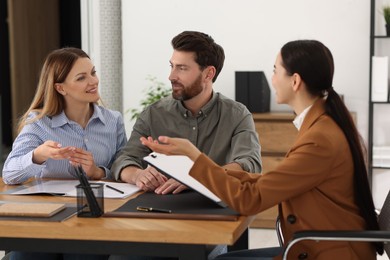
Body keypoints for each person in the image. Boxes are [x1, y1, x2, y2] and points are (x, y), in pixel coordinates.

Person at [140, 40, 384, 260]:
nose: (273, 79)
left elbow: (250, 199)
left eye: (276, 70)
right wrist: (205, 164)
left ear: (295, 81)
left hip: (327, 252)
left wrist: (194, 157)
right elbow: (269, 183)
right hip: (321, 245)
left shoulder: (320, 139)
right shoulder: (322, 125)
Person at [3, 47, 127, 260]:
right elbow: (10, 174)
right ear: (60, 88)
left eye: (93, 73)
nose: (93, 81)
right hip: (46, 219)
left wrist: (97, 172)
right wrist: (38, 155)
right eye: (81, 77)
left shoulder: (113, 121)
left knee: (84, 254)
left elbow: (123, 168)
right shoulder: (39, 123)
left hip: (94, 218)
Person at [111, 31, 262, 195]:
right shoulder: (153, 114)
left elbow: (249, 164)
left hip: (217, 209)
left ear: (208, 74)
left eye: (182, 68)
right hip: (161, 208)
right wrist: (138, 174)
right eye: (172, 66)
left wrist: (200, 176)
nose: (171, 76)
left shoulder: (237, 115)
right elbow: (124, 160)